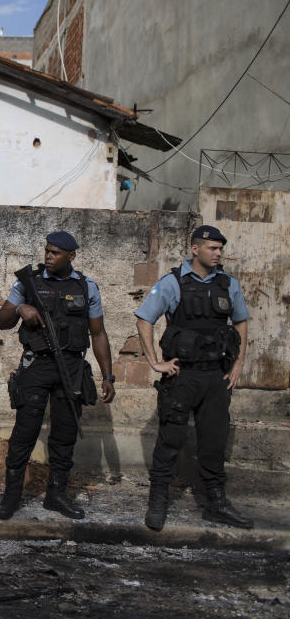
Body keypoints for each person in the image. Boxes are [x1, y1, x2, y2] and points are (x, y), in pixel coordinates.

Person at [135, 225, 252, 531]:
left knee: (213, 442)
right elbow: (144, 317)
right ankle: (158, 500)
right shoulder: (173, 283)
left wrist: (238, 363)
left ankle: (216, 503)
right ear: (195, 249)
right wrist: (154, 362)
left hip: (216, 376)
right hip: (182, 376)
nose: (218, 253)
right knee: (170, 439)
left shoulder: (228, 284)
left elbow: (240, 321)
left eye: (220, 249)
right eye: (213, 248)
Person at [0, 231, 116, 520]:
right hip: (37, 365)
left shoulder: (87, 287)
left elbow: (98, 333)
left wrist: (108, 376)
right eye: (47, 250)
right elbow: (2, 321)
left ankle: (56, 495)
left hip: (71, 367)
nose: (48, 256)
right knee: (25, 432)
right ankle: (11, 497)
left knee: (64, 434)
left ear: (71, 257)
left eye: (55, 253)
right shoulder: (28, 282)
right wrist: (21, 308)